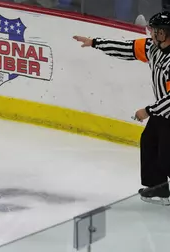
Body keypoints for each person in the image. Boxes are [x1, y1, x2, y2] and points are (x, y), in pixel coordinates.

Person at [73, 11, 170, 206]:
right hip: (163, 113)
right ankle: (158, 188)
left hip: (163, 111)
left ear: (164, 34)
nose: (151, 34)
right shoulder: (153, 48)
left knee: (167, 155)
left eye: (155, 31)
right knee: (150, 142)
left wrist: (148, 111)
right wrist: (95, 43)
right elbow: (127, 48)